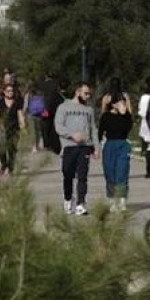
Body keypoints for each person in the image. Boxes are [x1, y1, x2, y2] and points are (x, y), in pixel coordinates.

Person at [54, 82, 99, 215]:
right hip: (69, 147)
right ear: (77, 92)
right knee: (68, 175)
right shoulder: (63, 107)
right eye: (85, 93)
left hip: (84, 147)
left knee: (82, 176)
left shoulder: (89, 110)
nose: (87, 96)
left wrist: (96, 147)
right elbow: (58, 126)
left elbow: (93, 129)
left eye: (89, 94)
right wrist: (72, 135)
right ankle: (68, 199)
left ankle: (81, 203)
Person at [100, 91, 133, 212]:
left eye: (123, 102)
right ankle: (112, 200)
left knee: (122, 172)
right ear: (113, 104)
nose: (122, 104)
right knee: (110, 174)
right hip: (109, 145)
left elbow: (128, 127)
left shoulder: (126, 116)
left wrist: (125, 112)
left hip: (123, 144)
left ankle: (122, 200)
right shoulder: (106, 116)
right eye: (120, 102)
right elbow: (101, 130)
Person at [0, 83, 26, 176]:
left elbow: (20, 115)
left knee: (12, 149)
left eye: (12, 91)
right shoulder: (1, 102)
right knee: (1, 149)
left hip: (14, 128)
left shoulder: (17, 102)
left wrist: (23, 126)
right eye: (8, 91)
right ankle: (3, 164)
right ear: (4, 92)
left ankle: (11, 169)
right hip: (2, 128)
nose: (10, 93)